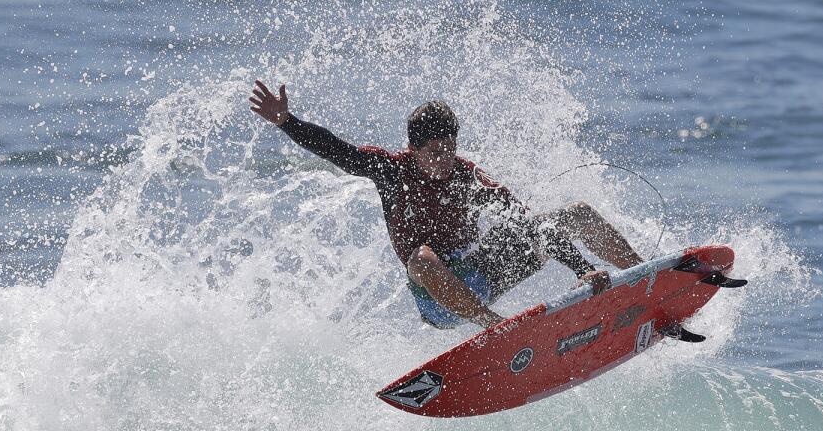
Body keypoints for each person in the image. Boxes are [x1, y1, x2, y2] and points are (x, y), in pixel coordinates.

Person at [248, 80, 644, 329]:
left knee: (568, 215)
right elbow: (337, 149)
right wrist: (287, 122)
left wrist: (583, 269)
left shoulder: (466, 176)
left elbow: (526, 223)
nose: (443, 159)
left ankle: (645, 278)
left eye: (449, 149)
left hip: (483, 274)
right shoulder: (389, 170)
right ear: (413, 148)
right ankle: (495, 329)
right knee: (420, 259)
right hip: (439, 299)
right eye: (433, 151)